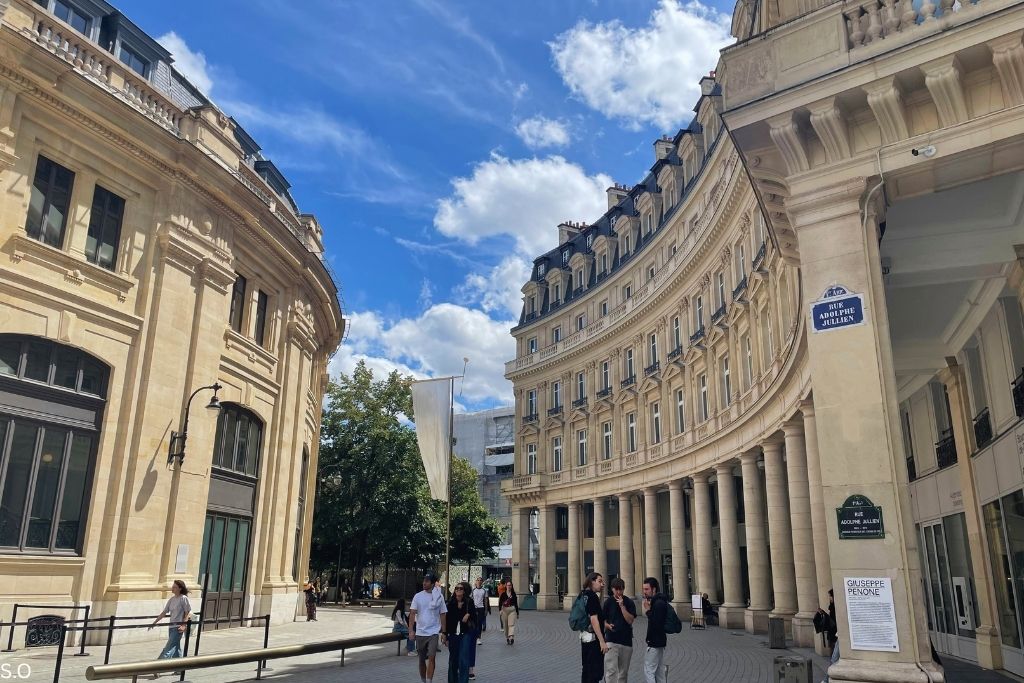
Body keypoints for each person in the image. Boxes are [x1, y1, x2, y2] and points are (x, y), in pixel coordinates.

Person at [409, 572, 448, 683]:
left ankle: (429, 680)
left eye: (427, 581)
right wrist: (411, 630)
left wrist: (444, 632)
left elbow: (443, 614)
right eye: (424, 581)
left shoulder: (439, 597)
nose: (424, 583)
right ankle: (423, 680)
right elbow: (412, 613)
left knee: (432, 657)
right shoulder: (418, 596)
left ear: (432, 583)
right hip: (420, 632)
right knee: (421, 660)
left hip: (433, 632)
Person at [602, 577, 636, 683]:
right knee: (611, 671)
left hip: (626, 641)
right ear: (612, 589)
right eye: (616, 589)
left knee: (623, 673)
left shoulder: (629, 602)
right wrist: (606, 625)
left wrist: (622, 606)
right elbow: (602, 619)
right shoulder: (608, 602)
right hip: (611, 640)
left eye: (620, 589)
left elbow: (630, 620)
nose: (618, 592)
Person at [148, 580, 192, 661]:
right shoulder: (172, 599)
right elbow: (164, 612)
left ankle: (157, 666)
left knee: (168, 647)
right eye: (173, 586)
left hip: (178, 627)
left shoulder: (183, 598)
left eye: (175, 587)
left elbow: (187, 613)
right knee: (175, 647)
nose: (172, 588)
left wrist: (183, 625)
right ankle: (179, 668)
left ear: (180, 588)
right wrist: (154, 623)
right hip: (171, 626)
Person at [580, 572, 608, 683]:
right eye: (600, 581)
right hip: (593, 640)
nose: (602, 584)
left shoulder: (584, 594)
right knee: (594, 672)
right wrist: (601, 641)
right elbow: (593, 618)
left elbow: (595, 612)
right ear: (592, 581)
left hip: (585, 637)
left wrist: (601, 593)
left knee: (587, 669)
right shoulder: (591, 596)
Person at [445, 582, 475, 683]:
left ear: (464, 591)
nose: (458, 590)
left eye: (461, 588)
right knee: (453, 660)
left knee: (464, 660)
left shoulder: (469, 602)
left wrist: (469, 615)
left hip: (464, 634)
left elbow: (475, 618)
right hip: (453, 634)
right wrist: (445, 635)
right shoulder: (450, 603)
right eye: (456, 588)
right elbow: (447, 620)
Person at [642, 577, 668, 683]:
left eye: (647, 589)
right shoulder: (659, 601)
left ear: (654, 589)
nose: (644, 592)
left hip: (655, 642)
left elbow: (656, 623)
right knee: (659, 671)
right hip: (660, 642)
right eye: (644, 589)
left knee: (649, 670)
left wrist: (648, 611)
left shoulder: (658, 603)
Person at [498, 579, 520, 645]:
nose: (509, 586)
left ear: (511, 586)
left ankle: (511, 637)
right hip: (504, 610)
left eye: (510, 585)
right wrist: (500, 610)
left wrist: (517, 613)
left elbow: (516, 604)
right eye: (508, 585)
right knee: (505, 625)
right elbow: (500, 603)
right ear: (506, 586)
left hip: (512, 610)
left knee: (511, 624)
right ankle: (507, 637)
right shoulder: (503, 594)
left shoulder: (513, 594)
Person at [472, 577, 490, 644]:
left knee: (479, 624)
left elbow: (486, 601)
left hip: (481, 608)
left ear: (482, 582)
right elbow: (471, 599)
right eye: (478, 580)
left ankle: (478, 638)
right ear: (476, 581)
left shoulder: (484, 590)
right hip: (474, 608)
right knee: (474, 623)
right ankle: (474, 636)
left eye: (480, 580)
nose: (479, 581)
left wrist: (486, 610)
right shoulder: (473, 590)